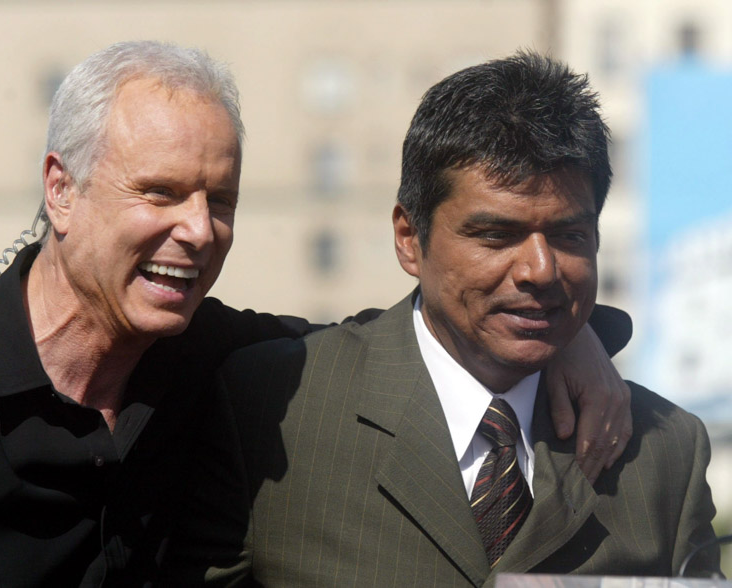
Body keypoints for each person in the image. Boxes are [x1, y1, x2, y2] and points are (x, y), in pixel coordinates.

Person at [0, 42, 630, 586]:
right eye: (162, 192)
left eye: (221, 200)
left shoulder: (223, 361)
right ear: (61, 190)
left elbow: (395, 343)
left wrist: (566, 336)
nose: (200, 230)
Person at [174, 52, 721, 585]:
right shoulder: (275, 411)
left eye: (568, 236)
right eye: (495, 235)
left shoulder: (663, 452)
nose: (539, 269)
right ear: (410, 239)